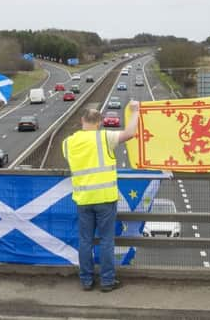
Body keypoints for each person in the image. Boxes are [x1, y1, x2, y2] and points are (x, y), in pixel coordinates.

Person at [62, 101, 140, 292]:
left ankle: (86, 281)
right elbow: (130, 133)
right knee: (106, 241)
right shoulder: (105, 137)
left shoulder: (68, 142)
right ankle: (107, 281)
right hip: (105, 198)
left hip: (83, 199)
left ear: (82, 120)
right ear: (99, 122)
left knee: (85, 241)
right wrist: (136, 112)